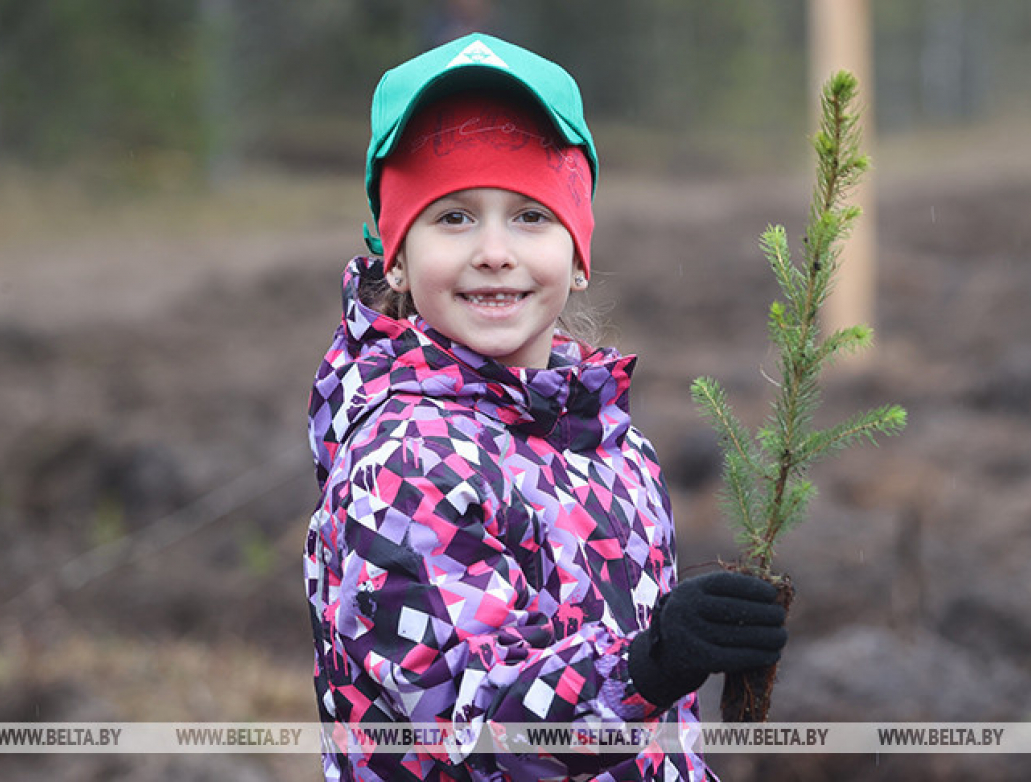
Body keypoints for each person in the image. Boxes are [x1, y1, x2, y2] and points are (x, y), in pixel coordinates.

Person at [304, 33, 787, 781]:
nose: (495, 251)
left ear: (579, 253)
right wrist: (651, 666)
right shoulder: (403, 467)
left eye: (530, 215)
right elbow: (483, 723)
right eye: (454, 217)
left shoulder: (610, 444)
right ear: (395, 255)